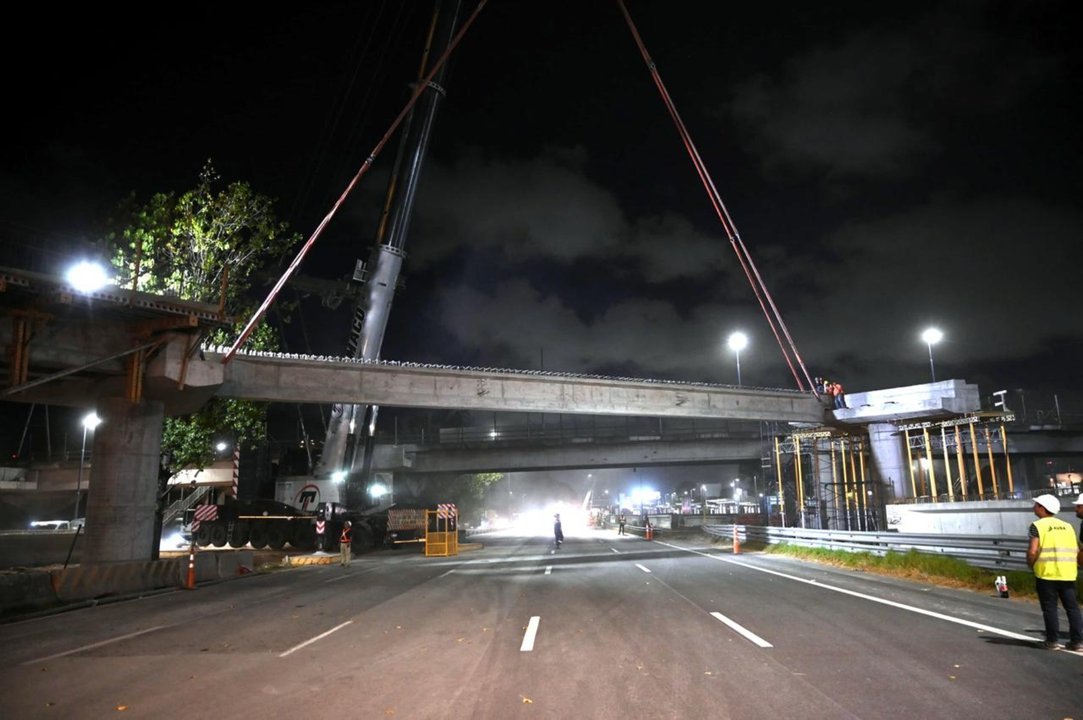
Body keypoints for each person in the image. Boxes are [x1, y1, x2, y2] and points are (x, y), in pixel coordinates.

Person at [1026, 494, 1082, 650]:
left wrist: (1031, 564)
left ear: (1042, 508)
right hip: (1068, 573)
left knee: (1050, 608)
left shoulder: (1036, 526)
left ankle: (1052, 641)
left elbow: (1033, 551)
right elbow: (1077, 549)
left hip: (1046, 574)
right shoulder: (1068, 526)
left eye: (1036, 505)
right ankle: (1077, 642)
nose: (1034, 507)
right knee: (1073, 608)